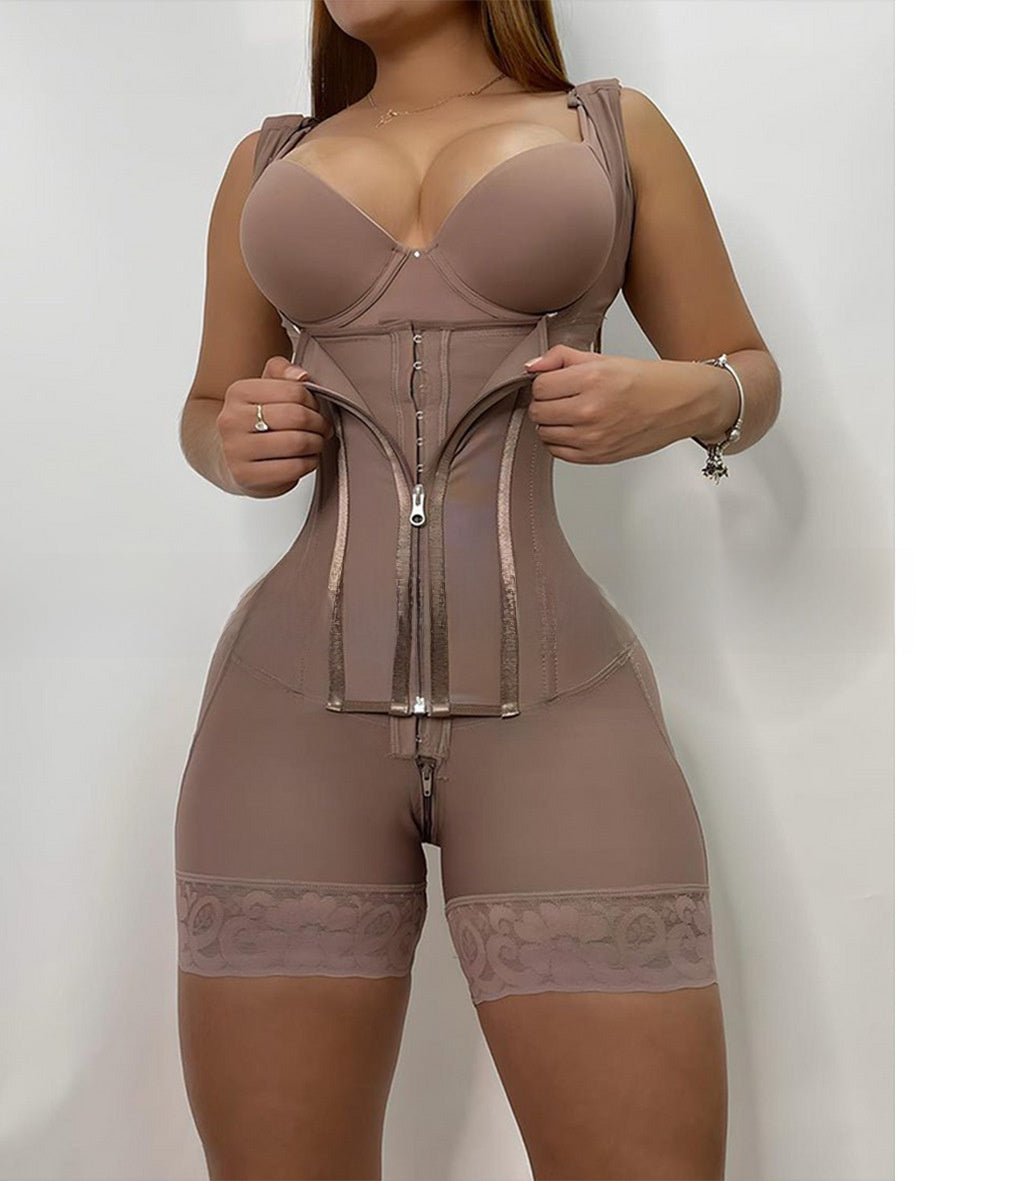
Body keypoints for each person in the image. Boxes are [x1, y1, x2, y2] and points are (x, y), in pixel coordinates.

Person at [173, 1, 780, 1177]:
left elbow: (744, 373)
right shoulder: (269, 158)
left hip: (560, 715)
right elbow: (208, 403)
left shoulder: (610, 131)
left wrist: (679, 397)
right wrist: (230, 440)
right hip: (283, 725)